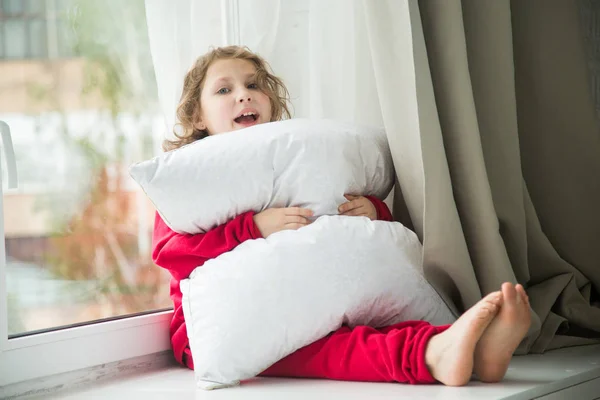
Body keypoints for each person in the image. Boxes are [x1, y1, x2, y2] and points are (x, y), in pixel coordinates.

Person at [152, 45, 532, 386]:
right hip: (212, 328)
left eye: (253, 84)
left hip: (310, 296)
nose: (244, 95)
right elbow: (172, 252)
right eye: (224, 90)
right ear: (197, 115)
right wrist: (250, 228)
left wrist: (373, 210)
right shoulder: (191, 177)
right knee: (332, 348)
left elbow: (328, 214)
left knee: (367, 322)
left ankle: (470, 349)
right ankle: (432, 353)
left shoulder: (291, 158)